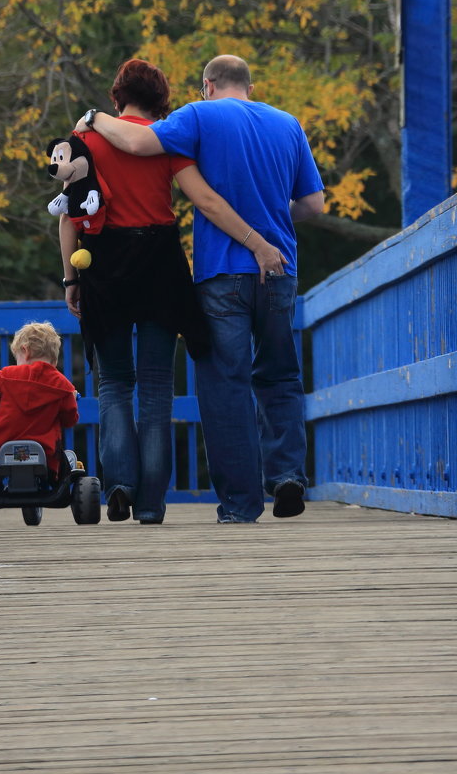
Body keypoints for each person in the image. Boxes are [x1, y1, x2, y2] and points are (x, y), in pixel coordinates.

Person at [75, 54, 325, 524]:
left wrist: (93, 117)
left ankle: (240, 505)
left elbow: (134, 137)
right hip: (279, 270)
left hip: (221, 274)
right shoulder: (288, 124)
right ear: (249, 85)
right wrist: (271, 224)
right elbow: (313, 203)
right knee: (280, 375)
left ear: (207, 85)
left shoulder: (198, 115)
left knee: (225, 386)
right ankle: (288, 475)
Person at [0, 321, 79, 491]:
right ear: (53, 360)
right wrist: (71, 398)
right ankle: (58, 486)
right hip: (43, 452)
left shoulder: (8, 374)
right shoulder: (64, 386)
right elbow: (69, 420)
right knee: (60, 461)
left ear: (24, 351)